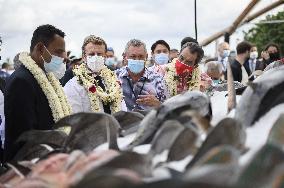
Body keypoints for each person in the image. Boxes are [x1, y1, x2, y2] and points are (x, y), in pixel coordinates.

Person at [4, 24, 71, 162]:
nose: (65, 57)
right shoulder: (21, 81)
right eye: (59, 52)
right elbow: (24, 138)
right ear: (40, 48)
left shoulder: (48, 77)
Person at [64, 35, 126, 114]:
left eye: (99, 54)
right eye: (92, 54)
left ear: (105, 56)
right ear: (84, 57)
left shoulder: (113, 80)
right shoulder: (74, 85)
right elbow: (75, 117)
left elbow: (122, 108)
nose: (96, 57)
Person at [116, 39, 168, 111]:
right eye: (133, 56)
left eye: (140, 56)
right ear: (125, 57)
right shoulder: (115, 77)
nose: (137, 59)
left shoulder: (158, 79)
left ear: (146, 57)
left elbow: (166, 108)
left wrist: (157, 104)